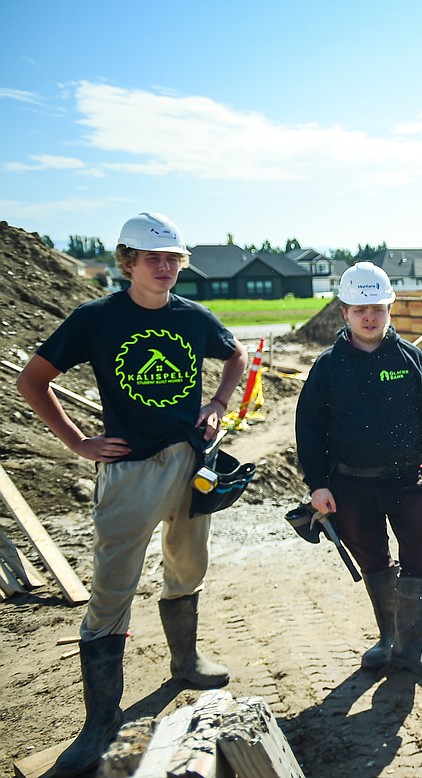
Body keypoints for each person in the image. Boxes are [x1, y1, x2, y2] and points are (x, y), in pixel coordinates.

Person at [17, 212, 248, 777]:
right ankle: (100, 721)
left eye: (173, 259)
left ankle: (186, 659)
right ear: (128, 262)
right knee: (112, 583)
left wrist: (217, 405)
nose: (165, 267)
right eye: (153, 258)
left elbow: (236, 356)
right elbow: (32, 380)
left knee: (188, 563)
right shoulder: (96, 318)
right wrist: (76, 441)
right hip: (129, 470)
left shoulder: (192, 317)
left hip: (191, 461)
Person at [295, 261, 422, 677]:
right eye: (360, 309)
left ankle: (411, 647)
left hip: (406, 481)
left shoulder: (411, 359)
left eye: (378, 308)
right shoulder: (328, 367)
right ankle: (388, 638)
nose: (370, 317)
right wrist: (316, 484)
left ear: (389, 309)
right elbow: (309, 427)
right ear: (344, 311)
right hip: (350, 485)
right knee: (373, 559)